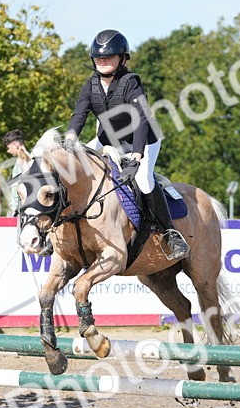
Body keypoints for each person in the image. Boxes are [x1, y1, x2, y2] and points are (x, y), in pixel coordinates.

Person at [63, 28, 189, 260]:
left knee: (142, 179)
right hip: (109, 139)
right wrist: (70, 139)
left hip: (143, 142)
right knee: (72, 167)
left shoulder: (131, 83)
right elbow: (79, 115)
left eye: (109, 57)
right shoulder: (90, 86)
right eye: (99, 57)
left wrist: (136, 158)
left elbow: (141, 120)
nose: (103, 61)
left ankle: (169, 233)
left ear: (122, 58)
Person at [0, 129, 32, 216]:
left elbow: (18, 188)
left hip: (20, 209)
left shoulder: (24, 161)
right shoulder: (30, 159)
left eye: (9, 147)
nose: (8, 151)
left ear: (16, 145)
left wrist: (14, 210)